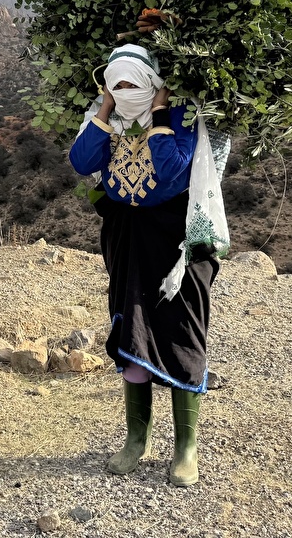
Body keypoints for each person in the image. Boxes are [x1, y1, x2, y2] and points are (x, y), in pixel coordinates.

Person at [68, 43, 229, 485]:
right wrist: (104, 109)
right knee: (131, 330)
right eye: (115, 84)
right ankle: (136, 440)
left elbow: (173, 170)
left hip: (176, 242)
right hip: (127, 240)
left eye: (132, 84)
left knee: (182, 333)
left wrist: (158, 115)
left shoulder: (182, 117)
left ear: (154, 84)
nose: (124, 92)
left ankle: (186, 447)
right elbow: (81, 162)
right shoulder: (108, 120)